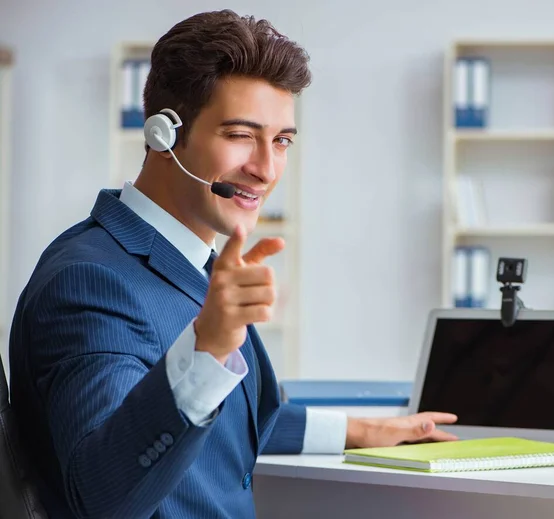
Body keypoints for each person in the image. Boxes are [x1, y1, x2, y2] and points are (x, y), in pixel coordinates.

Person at [8, 9, 458, 519]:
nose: (266, 169)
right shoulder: (90, 281)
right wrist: (209, 345)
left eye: (282, 141)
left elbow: (236, 417)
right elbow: (101, 494)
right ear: (163, 134)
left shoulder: (193, 266)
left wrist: (363, 430)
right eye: (241, 135)